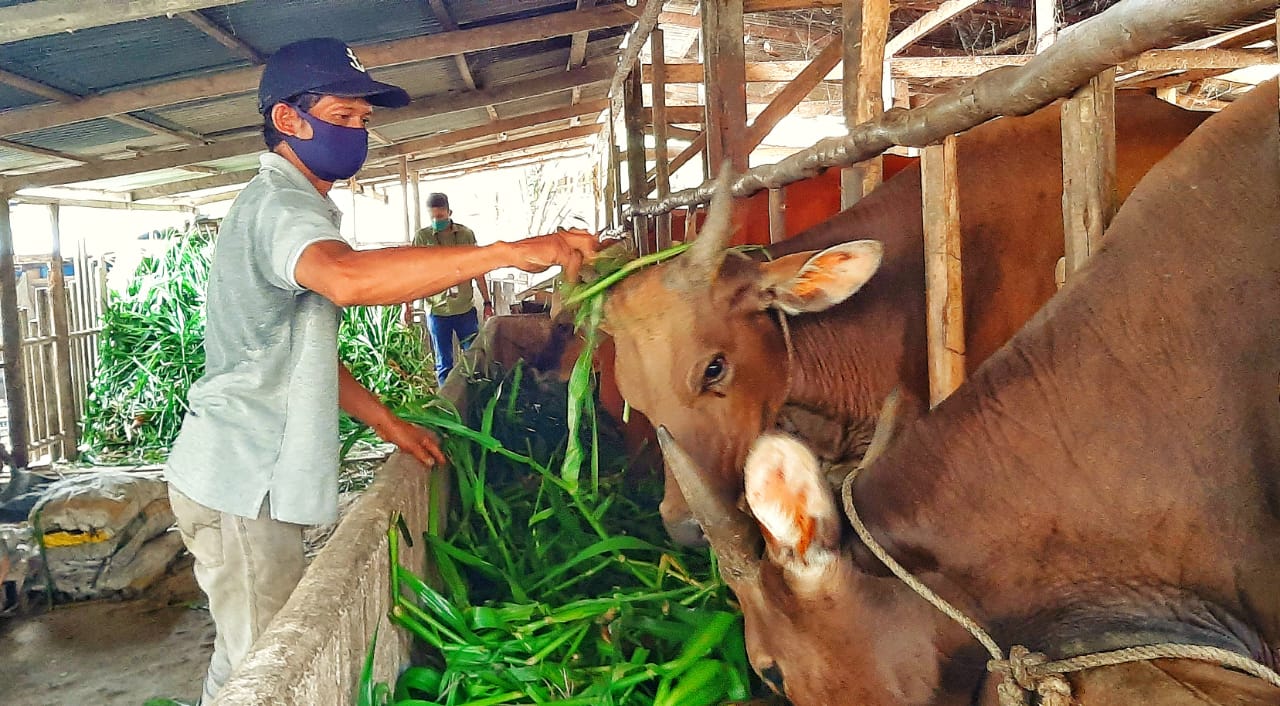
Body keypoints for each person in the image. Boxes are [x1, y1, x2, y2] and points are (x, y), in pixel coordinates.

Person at [162, 37, 598, 704]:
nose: (357, 134)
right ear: (288, 120)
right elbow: (344, 280)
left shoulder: (298, 204)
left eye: (363, 121)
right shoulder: (279, 206)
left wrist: (387, 421)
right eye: (343, 117)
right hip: (239, 482)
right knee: (256, 666)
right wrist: (505, 251)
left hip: (246, 476)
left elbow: (303, 356)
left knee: (254, 650)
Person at [413, 192, 491, 385]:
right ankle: (447, 408)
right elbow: (412, 273)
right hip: (437, 311)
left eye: (440, 216)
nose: (435, 220)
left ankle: (473, 399)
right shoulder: (422, 237)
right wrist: (407, 306)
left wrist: (487, 302)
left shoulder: (466, 235)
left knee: (473, 360)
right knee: (443, 364)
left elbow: (478, 270)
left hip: (465, 309)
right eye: (432, 217)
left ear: (449, 212)